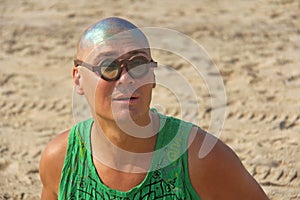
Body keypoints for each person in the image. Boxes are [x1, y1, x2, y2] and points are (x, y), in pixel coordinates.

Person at [39, 17, 269, 200]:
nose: (126, 78)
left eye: (138, 64)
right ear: (78, 79)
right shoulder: (61, 161)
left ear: (153, 76)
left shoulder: (199, 158)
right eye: (108, 66)